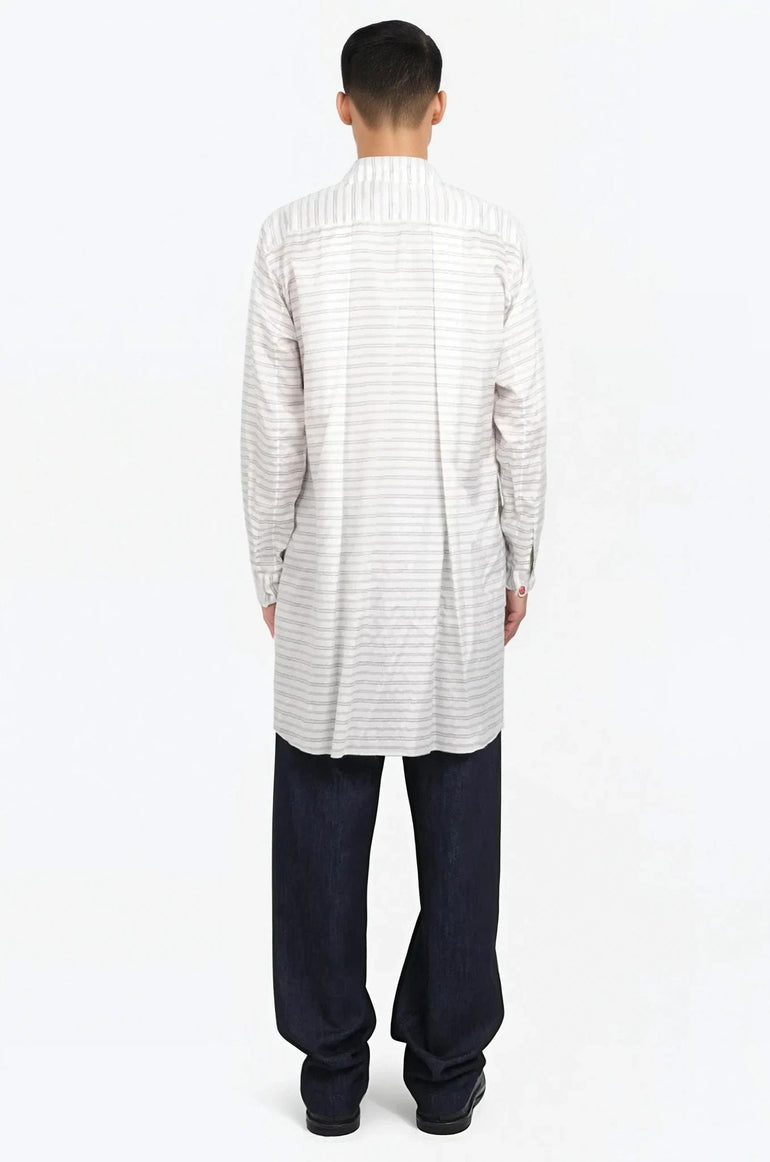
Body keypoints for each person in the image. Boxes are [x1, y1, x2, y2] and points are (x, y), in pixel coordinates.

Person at [240, 18, 547, 1137]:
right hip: (456, 571)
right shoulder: (493, 238)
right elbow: (520, 420)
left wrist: (269, 561)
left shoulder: (290, 237)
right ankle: (446, 1077)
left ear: (342, 107)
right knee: (461, 838)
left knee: (319, 835)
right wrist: (520, 554)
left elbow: (273, 429)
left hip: (330, 575)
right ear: (438, 106)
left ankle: (330, 1082)